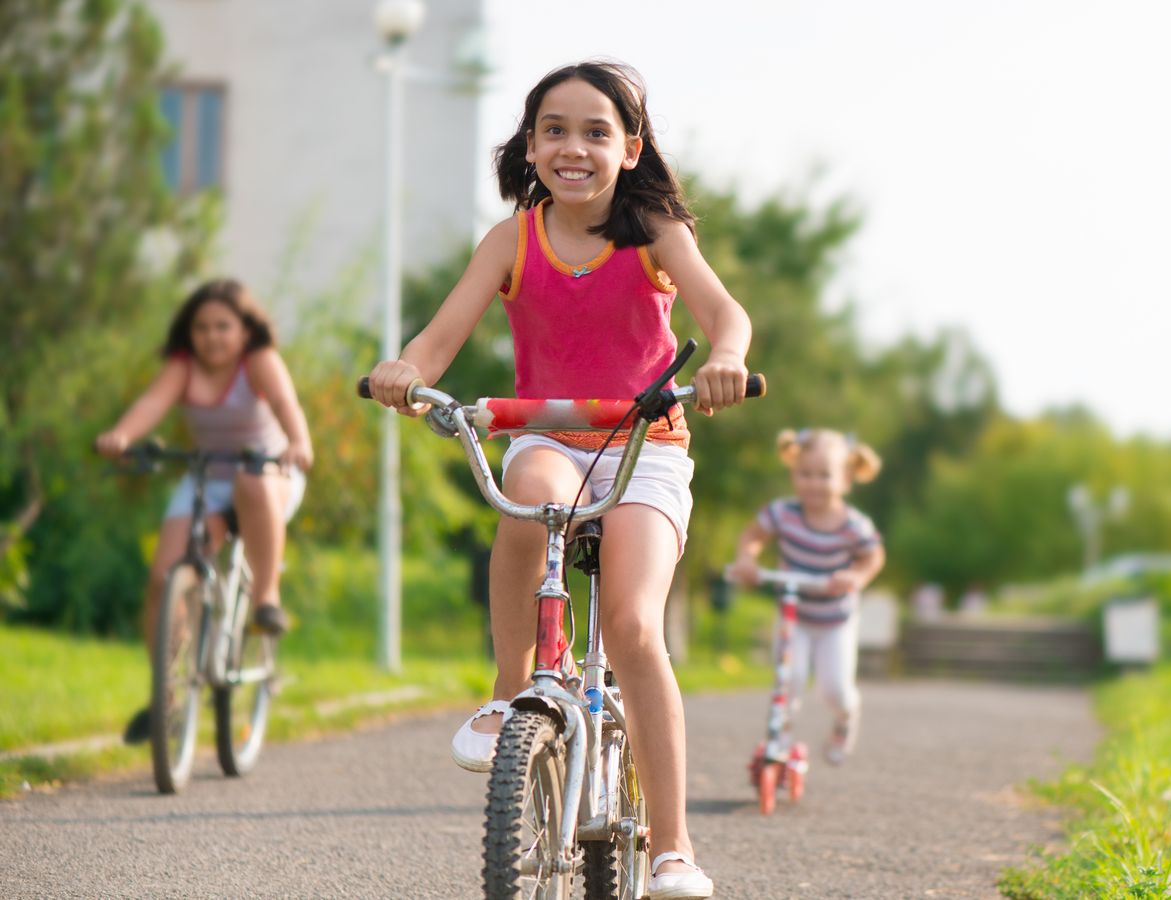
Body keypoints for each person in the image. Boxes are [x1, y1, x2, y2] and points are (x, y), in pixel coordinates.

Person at [364, 60, 751, 899]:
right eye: (554, 129)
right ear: (531, 145)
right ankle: (515, 693)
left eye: (596, 132)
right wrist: (405, 367)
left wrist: (725, 358)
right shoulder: (512, 238)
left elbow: (726, 314)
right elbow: (439, 339)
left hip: (645, 443)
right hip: (549, 435)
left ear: (631, 148)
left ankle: (675, 847)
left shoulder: (656, 234)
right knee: (525, 505)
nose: (573, 146)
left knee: (634, 623)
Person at [95, 278, 313, 743]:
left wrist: (298, 442)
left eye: (223, 326)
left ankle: (265, 600)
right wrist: (122, 436)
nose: (211, 336)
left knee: (251, 481)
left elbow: (285, 404)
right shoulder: (183, 366)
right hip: (209, 478)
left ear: (244, 330)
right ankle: (167, 695)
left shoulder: (258, 361)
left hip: (269, 473)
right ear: (189, 333)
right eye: (201, 327)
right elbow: (151, 403)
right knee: (164, 578)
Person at [727, 429, 886, 766]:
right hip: (793, 617)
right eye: (805, 474)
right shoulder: (783, 513)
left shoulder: (852, 525)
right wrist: (748, 559)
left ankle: (846, 716)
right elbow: (753, 536)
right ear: (793, 473)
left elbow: (873, 557)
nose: (813, 483)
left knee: (835, 689)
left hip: (834, 621)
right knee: (790, 678)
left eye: (824, 475)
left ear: (845, 479)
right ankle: (779, 739)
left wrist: (856, 576)